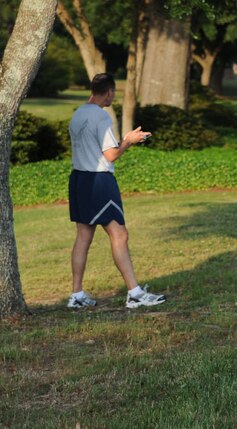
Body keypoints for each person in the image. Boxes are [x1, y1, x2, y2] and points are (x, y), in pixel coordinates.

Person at [67, 73, 166, 309]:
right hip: (99, 181)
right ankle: (134, 293)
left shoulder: (78, 113)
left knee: (83, 236)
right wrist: (129, 140)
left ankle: (76, 295)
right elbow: (110, 154)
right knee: (119, 234)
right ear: (110, 92)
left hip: (78, 179)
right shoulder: (101, 116)